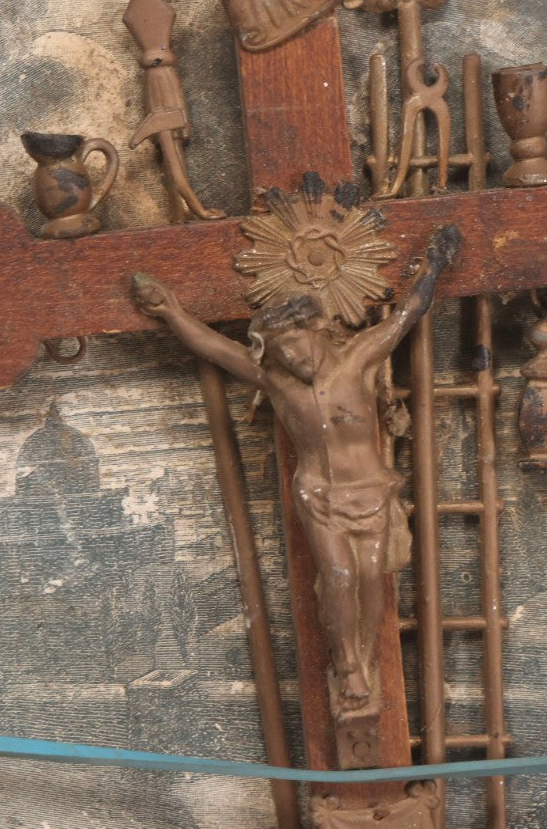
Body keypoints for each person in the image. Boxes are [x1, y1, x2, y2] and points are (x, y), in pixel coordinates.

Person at [131, 223, 461, 714]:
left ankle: (363, 663)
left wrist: (433, 265)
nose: (294, 358)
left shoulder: (359, 359)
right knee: (339, 574)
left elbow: (409, 314)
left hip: (371, 491)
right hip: (319, 495)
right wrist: (172, 311)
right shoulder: (277, 381)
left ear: (320, 332)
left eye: (299, 345)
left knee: (372, 575)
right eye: (282, 351)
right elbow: (214, 348)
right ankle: (347, 664)